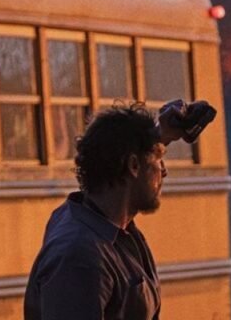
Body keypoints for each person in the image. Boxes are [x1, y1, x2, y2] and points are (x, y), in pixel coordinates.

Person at [23, 102, 204, 320]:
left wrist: (160, 133)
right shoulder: (80, 258)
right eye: (158, 160)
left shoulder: (96, 224)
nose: (163, 172)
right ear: (133, 166)